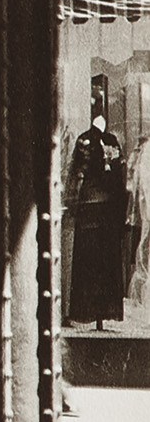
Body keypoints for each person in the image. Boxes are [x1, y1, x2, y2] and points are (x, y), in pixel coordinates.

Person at [67, 115, 127, 328]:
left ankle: (87, 311)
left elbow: (78, 174)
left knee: (88, 260)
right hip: (107, 209)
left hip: (89, 207)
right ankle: (103, 313)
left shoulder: (84, 140)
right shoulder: (112, 141)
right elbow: (119, 179)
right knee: (105, 261)